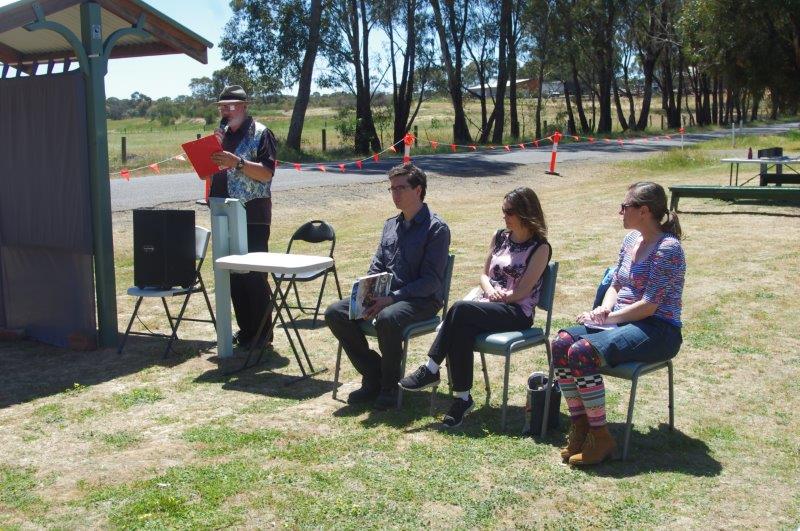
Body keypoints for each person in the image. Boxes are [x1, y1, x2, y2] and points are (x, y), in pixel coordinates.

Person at [552, 181, 685, 466]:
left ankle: (601, 437)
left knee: (581, 352)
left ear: (644, 211)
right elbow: (616, 283)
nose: (620, 212)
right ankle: (581, 426)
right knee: (561, 343)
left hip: (658, 329)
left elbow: (650, 305)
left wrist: (609, 319)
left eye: (625, 206)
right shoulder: (630, 241)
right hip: (623, 321)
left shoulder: (668, 249)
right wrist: (603, 309)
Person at [399, 187, 551, 428]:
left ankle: (431, 368)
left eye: (509, 211)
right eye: (503, 211)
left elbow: (523, 291)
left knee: (460, 310)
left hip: (517, 311)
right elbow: (483, 275)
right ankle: (462, 398)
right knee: (462, 327)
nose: (504, 216)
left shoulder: (540, 247)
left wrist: (501, 296)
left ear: (525, 212)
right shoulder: (500, 236)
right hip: (488, 302)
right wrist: (490, 290)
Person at [324, 164, 450, 410]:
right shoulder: (390, 225)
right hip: (386, 297)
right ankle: (375, 374)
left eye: (401, 188)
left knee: (387, 319)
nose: (395, 194)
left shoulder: (436, 228)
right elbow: (377, 265)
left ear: (418, 190)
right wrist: (366, 292)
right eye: (392, 188)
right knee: (335, 312)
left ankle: (390, 386)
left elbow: (431, 282)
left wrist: (391, 298)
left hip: (421, 300)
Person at [209, 85, 278, 350]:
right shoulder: (221, 135)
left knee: (253, 275)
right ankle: (247, 330)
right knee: (234, 275)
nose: (225, 111)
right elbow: (212, 171)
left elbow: (266, 174)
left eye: (231, 105)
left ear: (244, 106)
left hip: (253, 214)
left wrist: (237, 162)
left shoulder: (261, 133)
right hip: (224, 213)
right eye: (222, 106)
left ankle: (262, 334)